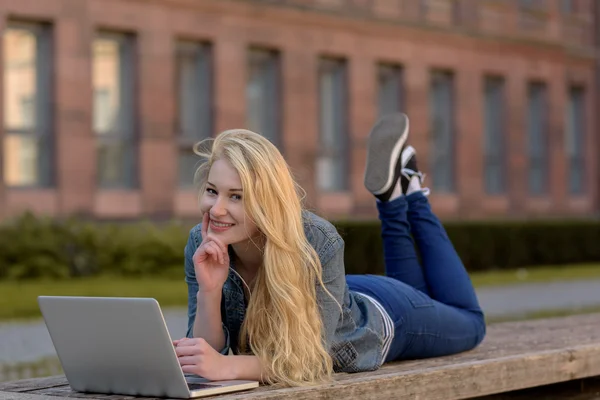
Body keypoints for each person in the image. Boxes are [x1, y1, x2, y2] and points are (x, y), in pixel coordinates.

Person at [173, 113, 486, 387]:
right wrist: (210, 292)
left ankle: (412, 194)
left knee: (471, 323)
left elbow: (308, 361)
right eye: (213, 191)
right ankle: (393, 195)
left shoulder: (316, 240)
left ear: (268, 203)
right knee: (422, 292)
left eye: (237, 197)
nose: (217, 209)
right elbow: (204, 352)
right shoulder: (201, 244)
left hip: (387, 315)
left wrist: (228, 366)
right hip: (337, 294)